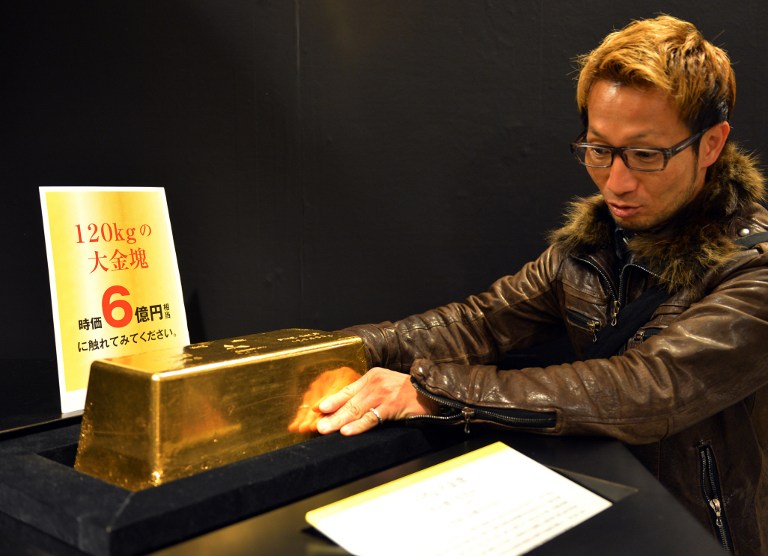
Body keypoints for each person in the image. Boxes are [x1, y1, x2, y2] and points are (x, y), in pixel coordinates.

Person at [312, 15, 768, 555]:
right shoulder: (592, 246)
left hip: (700, 538)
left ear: (711, 144)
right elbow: (480, 323)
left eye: (646, 155)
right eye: (599, 149)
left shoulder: (754, 268)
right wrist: (327, 353)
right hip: (602, 519)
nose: (616, 182)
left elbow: (648, 389)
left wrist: (431, 391)